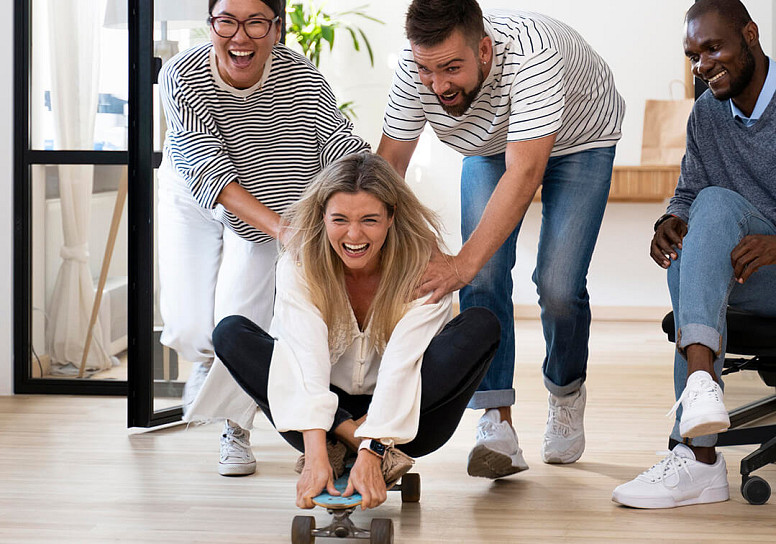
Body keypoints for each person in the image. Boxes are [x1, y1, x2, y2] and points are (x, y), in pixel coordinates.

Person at [377, 0, 625, 478]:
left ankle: (566, 389)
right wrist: (402, 241)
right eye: (428, 70)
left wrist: (459, 264)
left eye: (452, 68)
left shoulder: (534, 56)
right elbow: (389, 167)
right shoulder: (418, 70)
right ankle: (496, 420)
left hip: (582, 138)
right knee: (484, 279)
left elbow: (526, 168)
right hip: (489, 146)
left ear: (485, 50)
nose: (439, 84)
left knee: (557, 285)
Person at [212, 152, 501, 509]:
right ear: (322, 217)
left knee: (481, 324)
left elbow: (402, 362)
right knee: (230, 332)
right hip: (319, 418)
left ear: (391, 217)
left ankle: (358, 440)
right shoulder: (300, 263)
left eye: (370, 220)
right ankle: (342, 436)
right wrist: (316, 453)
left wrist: (373, 448)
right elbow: (306, 358)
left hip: (409, 419)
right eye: (340, 220)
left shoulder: (424, 265)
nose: (353, 235)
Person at [157, 0, 370, 476]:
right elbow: (210, 170)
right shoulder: (181, 74)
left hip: (268, 202)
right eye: (227, 21)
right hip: (195, 193)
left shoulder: (303, 78)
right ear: (210, 23)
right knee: (193, 328)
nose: (240, 36)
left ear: (277, 28)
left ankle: (236, 427)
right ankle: (208, 360)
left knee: (240, 318)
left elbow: (340, 144)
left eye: (256, 22)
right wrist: (282, 230)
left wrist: (372, 189)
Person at [612, 0, 776, 509]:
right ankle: (701, 424)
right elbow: (690, 192)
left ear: (750, 35)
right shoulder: (707, 111)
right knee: (689, 237)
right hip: (741, 272)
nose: (703, 65)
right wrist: (668, 221)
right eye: (692, 55)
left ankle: (698, 450)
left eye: (713, 48)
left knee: (715, 205)